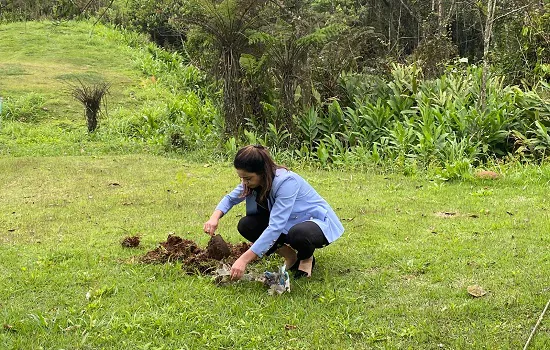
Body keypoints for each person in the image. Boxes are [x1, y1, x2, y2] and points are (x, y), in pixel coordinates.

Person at [203, 144, 344, 281]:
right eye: (241, 178)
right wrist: (214, 218)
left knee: (299, 234)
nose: (244, 183)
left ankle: (306, 259)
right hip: (288, 223)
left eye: (247, 178)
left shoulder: (287, 182)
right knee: (247, 225)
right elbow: (230, 198)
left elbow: (275, 227)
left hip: (314, 222)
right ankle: (291, 257)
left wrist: (243, 260)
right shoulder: (253, 182)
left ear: (262, 171)